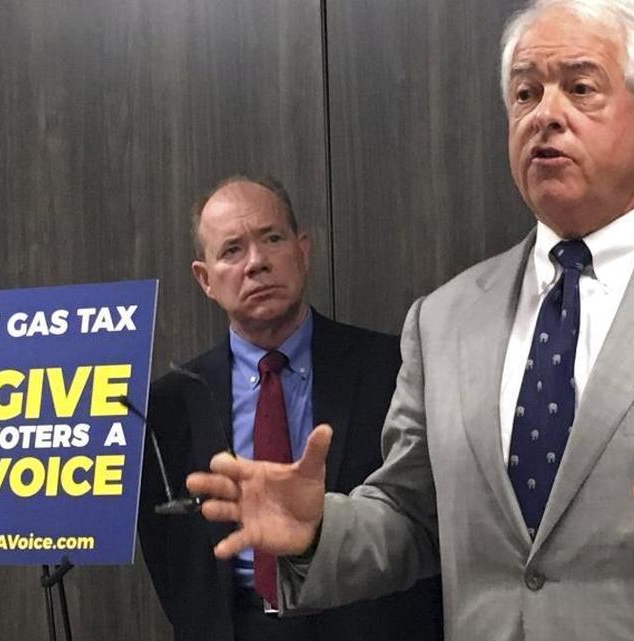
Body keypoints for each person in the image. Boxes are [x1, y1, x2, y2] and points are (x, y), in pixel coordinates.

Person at [188, 2, 634, 639]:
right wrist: (317, 530)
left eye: (579, 88)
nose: (543, 113)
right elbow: (410, 516)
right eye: (525, 93)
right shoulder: (444, 318)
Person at [137, 175, 442, 641]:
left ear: (303, 250)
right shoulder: (168, 405)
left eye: (272, 239)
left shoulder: (392, 368)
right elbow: (172, 557)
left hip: (368, 621)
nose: (257, 263)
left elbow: (419, 517)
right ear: (205, 279)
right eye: (232, 251)